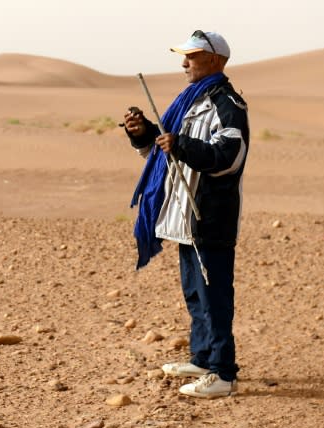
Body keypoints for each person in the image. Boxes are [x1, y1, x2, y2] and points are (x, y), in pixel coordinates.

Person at [123, 30, 249, 398]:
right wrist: (143, 133)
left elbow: (228, 158)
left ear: (214, 60)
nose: (183, 64)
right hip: (184, 218)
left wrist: (182, 144)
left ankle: (223, 373)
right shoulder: (191, 103)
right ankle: (203, 357)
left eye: (191, 57)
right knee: (196, 294)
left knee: (215, 296)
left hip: (210, 216)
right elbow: (165, 155)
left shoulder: (227, 103)